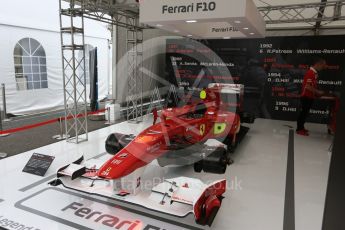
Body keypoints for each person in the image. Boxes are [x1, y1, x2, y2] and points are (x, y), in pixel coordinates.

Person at [296, 57, 326, 136]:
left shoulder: (314, 73)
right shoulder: (310, 73)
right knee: (303, 113)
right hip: (306, 96)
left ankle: (301, 127)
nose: (323, 67)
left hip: (310, 96)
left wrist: (316, 92)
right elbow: (308, 86)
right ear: (318, 64)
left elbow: (312, 85)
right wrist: (318, 92)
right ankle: (299, 129)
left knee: (305, 113)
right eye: (323, 65)